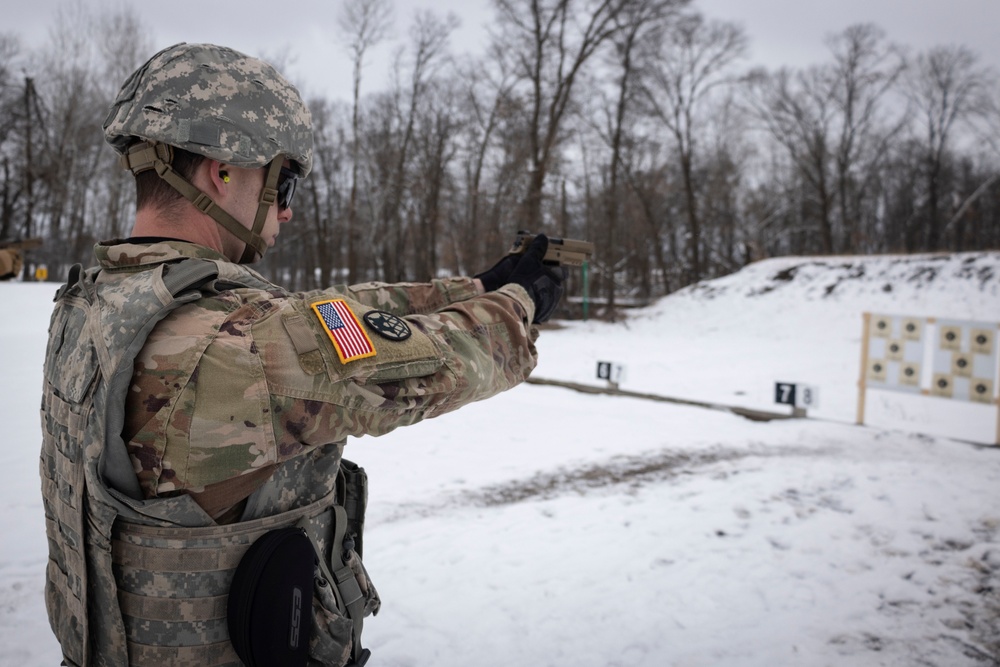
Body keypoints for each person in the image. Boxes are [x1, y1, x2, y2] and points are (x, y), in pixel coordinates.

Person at [40, 42, 563, 667]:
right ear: (223, 172)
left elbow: (324, 316)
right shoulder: (231, 347)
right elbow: (450, 359)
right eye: (282, 180)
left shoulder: (101, 305)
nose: (286, 209)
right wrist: (519, 304)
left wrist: (472, 287)